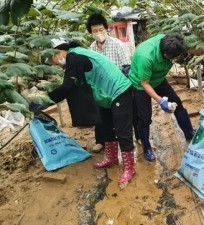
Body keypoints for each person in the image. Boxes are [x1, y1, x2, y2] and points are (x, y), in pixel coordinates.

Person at [45, 38, 136, 186]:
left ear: (59, 51)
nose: (55, 63)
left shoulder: (74, 57)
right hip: (105, 95)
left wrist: (45, 101)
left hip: (119, 90)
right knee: (106, 126)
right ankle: (112, 158)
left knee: (122, 130)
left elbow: (68, 86)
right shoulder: (75, 56)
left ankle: (129, 168)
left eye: (52, 58)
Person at [129, 33, 195, 162]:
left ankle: (189, 132)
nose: (176, 58)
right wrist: (161, 101)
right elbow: (145, 84)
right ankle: (147, 148)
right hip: (140, 85)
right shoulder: (146, 57)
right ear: (165, 54)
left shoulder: (172, 42)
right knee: (145, 117)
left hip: (158, 80)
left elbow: (193, 48)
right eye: (174, 57)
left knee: (177, 103)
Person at [86, 14, 139, 153]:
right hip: (102, 88)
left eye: (101, 30)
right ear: (91, 33)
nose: (98, 33)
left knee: (126, 115)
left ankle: (137, 137)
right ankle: (102, 141)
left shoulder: (117, 45)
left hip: (118, 86)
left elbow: (126, 67)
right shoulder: (92, 48)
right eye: (95, 31)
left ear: (106, 29)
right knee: (102, 116)